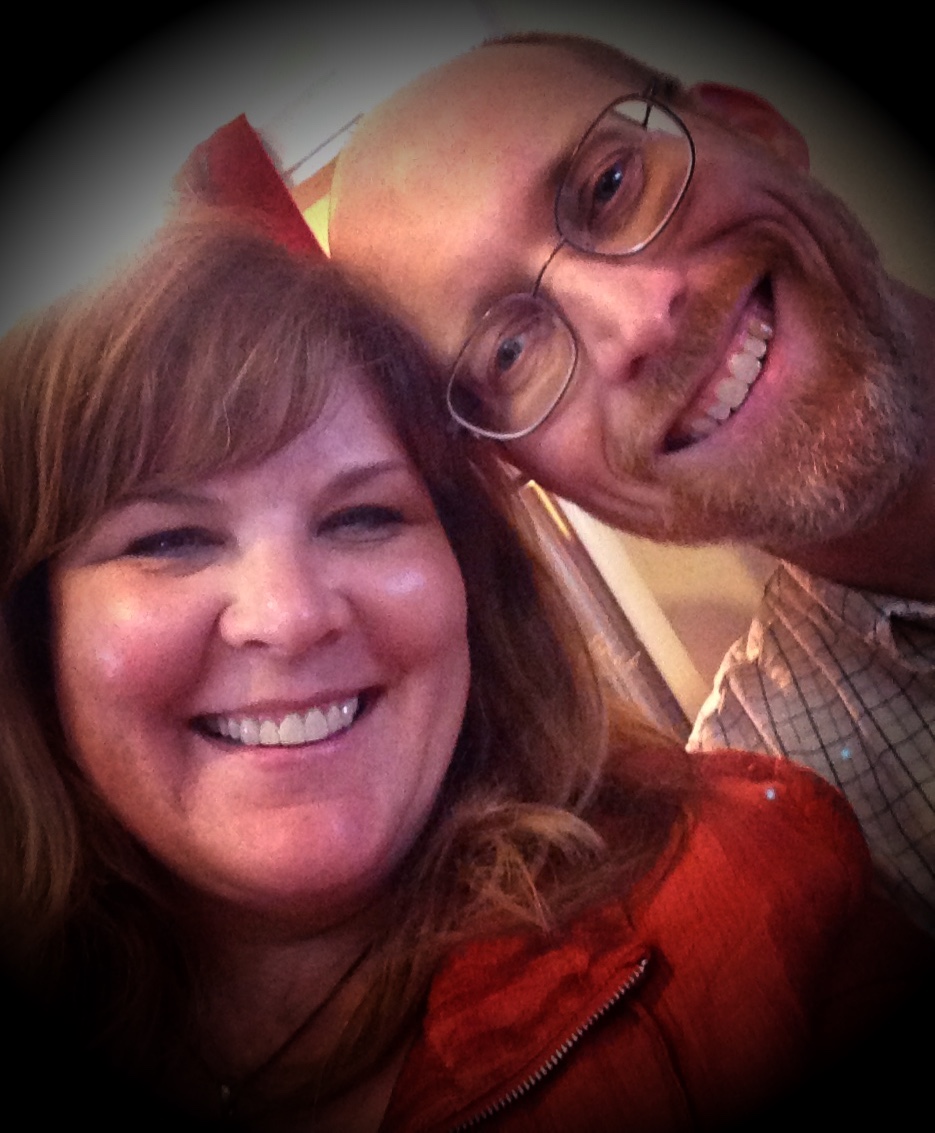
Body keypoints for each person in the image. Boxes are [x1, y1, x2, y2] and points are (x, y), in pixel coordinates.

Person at [1, 207, 931, 1132]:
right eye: (168, 539)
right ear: (35, 633)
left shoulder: (752, 902)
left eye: (363, 516)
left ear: (470, 581)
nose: (289, 615)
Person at [326, 31, 935, 935]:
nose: (638, 322)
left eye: (610, 186)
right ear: (517, 470)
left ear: (755, 128)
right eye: (508, 351)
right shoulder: (791, 839)